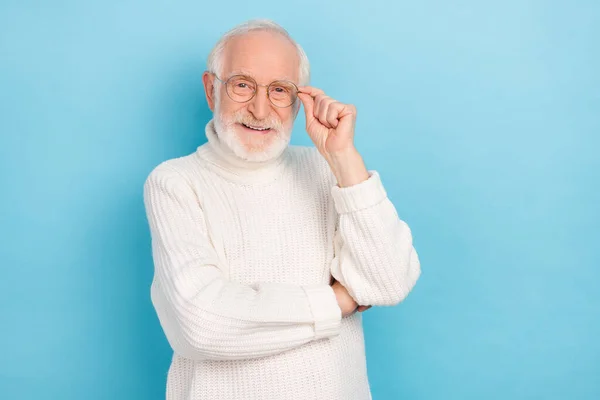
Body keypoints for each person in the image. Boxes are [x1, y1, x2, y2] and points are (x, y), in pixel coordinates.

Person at [143, 19, 421, 400]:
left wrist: (343, 158)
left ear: (298, 100)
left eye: (279, 90)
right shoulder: (175, 182)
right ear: (211, 90)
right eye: (242, 84)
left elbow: (389, 281)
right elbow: (202, 324)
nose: (260, 109)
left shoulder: (329, 171)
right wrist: (337, 302)